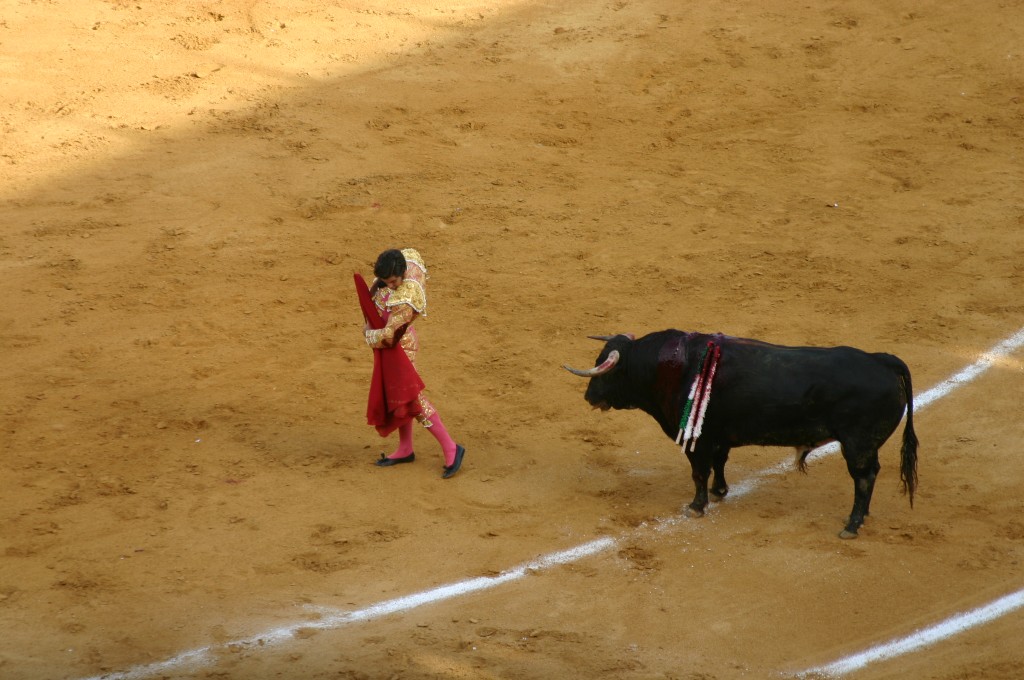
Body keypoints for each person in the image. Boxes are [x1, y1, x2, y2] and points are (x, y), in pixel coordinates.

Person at [363, 248, 466, 478]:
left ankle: (451, 447)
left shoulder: (406, 299)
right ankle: (405, 448)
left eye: (392, 282)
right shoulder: (403, 263)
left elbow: (389, 336)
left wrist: (368, 334)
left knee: (411, 397)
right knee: (397, 395)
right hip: (393, 344)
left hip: (399, 346)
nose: (389, 286)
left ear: (401, 275)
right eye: (385, 281)